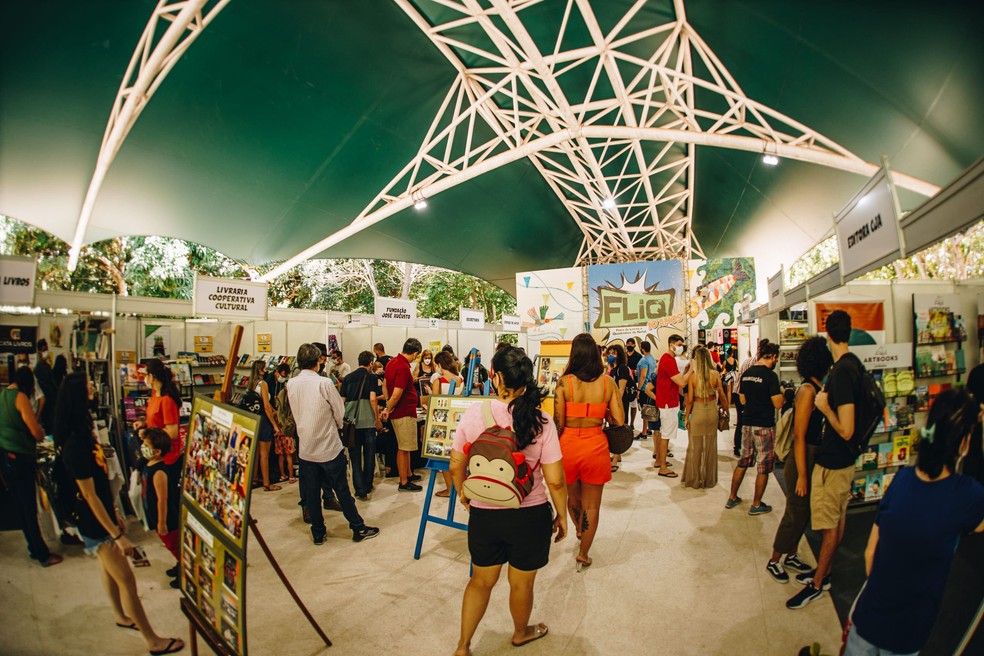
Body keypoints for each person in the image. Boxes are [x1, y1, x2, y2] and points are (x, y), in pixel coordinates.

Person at [844, 388, 984, 655]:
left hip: (868, 618)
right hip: (906, 633)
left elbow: (870, 553)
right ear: (964, 441)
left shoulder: (902, 479)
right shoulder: (967, 496)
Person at [449, 346, 567, 656]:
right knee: (521, 583)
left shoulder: (476, 413)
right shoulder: (541, 420)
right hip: (529, 515)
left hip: (485, 516)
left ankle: (463, 646)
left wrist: (464, 495)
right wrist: (562, 515)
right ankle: (520, 633)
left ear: (496, 377)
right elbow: (555, 479)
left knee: (481, 580)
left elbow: (455, 464)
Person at [56, 372, 183, 654]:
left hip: (99, 519)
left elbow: (96, 490)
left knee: (108, 571)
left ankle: (120, 615)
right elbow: (88, 495)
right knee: (127, 579)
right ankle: (153, 640)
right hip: (95, 523)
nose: (92, 389)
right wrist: (115, 534)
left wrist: (114, 512)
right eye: (88, 387)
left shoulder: (79, 432)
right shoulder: (75, 443)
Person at [787, 310, 862, 609]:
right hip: (842, 461)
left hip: (834, 462)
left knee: (828, 524)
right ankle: (823, 572)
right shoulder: (852, 366)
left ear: (828, 333)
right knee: (836, 518)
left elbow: (846, 429)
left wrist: (825, 408)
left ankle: (818, 582)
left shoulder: (842, 372)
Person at [287, 343, 379, 545]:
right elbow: (340, 413)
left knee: (312, 493)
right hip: (328, 445)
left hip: (306, 447)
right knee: (342, 490)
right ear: (317, 361)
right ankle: (357, 527)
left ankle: (318, 532)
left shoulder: (291, 383)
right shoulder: (324, 383)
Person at [554, 333, 624, 570]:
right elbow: (619, 420)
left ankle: (578, 530)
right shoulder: (607, 383)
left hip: (568, 445)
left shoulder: (564, 383)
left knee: (573, 499)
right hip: (595, 445)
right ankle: (584, 553)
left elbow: (558, 423)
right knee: (592, 506)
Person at [766, 337, 833, 583]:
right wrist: (803, 475)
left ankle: (791, 554)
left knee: (802, 512)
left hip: (811, 456)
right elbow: (799, 435)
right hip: (802, 457)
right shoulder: (807, 390)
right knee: (795, 511)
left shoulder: (816, 388)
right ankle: (774, 559)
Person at [0, 367, 63, 567]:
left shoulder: (3, 395)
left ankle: (32, 547)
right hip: (21, 457)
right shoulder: (20, 398)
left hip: (6, 456)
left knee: (20, 505)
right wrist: (40, 434)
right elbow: (36, 431)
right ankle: (42, 553)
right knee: (29, 506)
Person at [726, 342, 782, 513]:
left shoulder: (747, 374)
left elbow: (742, 400)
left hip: (747, 423)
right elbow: (778, 404)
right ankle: (757, 504)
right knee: (763, 466)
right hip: (764, 424)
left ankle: (732, 497)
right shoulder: (770, 376)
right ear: (772, 356)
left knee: (743, 461)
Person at [682, 346, 728, 489]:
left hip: (698, 411)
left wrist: (686, 416)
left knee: (695, 446)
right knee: (710, 445)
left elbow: (689, 400)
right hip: (712, 411)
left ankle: (695, 479)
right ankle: (709, 479)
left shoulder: (693, 377)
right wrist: (727, 411)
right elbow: (722, 395)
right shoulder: (715, 374)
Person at [381, 338, 424, 492]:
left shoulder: (392, 362)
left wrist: (388, 403)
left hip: (401, 410)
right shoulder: (403, 366)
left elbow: (386, 385)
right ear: (415, 353)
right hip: (403, 412)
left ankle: (408, 473)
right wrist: (389, 407)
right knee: (404, 448)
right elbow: (397, 393)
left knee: (405, 447)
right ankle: (404, 481)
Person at [140, 428, 180, 588]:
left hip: (167, 519)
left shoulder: (159, 472)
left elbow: (162, 500)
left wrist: (162, 523)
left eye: (146, 444)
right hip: (155, 515)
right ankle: (179, 566)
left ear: (157, 451)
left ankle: (184, 572)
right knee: (172, 547)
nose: (143, 446)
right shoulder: (150, 464)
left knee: (175, 546)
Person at [340, 351, 382, 501]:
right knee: (369, 454)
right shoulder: (371, 377)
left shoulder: (348, 378)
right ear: (371, 363)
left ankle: (359, 490)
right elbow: (372, 399)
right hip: (368, 422)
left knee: (354, 456)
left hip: (351, 423)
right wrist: (377, 419)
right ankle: (368, 484)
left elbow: (342, 400)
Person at [133, 359, 182, 470]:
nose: (144, 378)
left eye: (146, 375)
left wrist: (148, 433)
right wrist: (144, 424)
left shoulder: (166, 400)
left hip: (166, 457)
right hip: (154, 452)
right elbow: (156, 418)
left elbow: (172, 432)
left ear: (152, 376)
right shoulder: (155, 393)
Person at [653, 334, 689, 477]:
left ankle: (660, 461)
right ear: (671, 345)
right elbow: (682, 382)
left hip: (669, 401)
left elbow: (678, 379)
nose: (681, 347)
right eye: (679, 344)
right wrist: (691, 370)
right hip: (668, 402)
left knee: (665, 433)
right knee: (666, 435)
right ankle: (662, 467)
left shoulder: (669, 360)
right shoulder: (667, 360)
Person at [248, 360, 283, 491]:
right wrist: (274, 425)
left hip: (254, 419)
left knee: (257, 452)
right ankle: (267, 483)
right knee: (265, 454)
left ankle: (255, 477)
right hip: (264, 421)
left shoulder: (251, 384)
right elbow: (266, 406)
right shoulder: (263, 384)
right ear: (260, 370)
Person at [734, 340, 767, 457]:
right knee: (744, 422)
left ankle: (739, 447)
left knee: (741, 421)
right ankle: (743, 448)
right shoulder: (755, 364)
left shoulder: (747, 361)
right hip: (743, 395)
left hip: (738, 393)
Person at [607, 343, 633, 473]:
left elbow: (621, 388)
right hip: (613, 402)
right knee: (613, 427)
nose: (611, 356)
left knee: (618, 427)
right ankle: (617, 454)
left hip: (620, 402)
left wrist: (617, 404)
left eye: (614, 353)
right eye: (610, 353)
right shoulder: (612, 370)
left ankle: (616, 456)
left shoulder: (623, 368)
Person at [635, 341, 656, 440]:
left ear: (642, 349)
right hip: (651, 387)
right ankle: (648, 428)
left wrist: (638, 389)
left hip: (644, 388)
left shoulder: (644, 361)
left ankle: (644, 432)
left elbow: (643, 376)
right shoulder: (652, 359)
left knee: (644, 410)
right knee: (648, 409)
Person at [34, 339, 57, 432]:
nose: (46, 352)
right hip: (46, 404)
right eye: (44, 350)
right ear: (39, 351)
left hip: (50, 403)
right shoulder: (40, 368)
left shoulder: (45, 366)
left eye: (47, 349)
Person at [625, 338, 642, 430]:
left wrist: (633, 371)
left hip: (633, 383)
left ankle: (632, 423)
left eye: (632, 344)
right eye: (628, 344)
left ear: (634, 345)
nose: (630, 345)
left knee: (633, 404)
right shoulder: (623, 355)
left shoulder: (638, 356)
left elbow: (640, 371)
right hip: (623, 382)